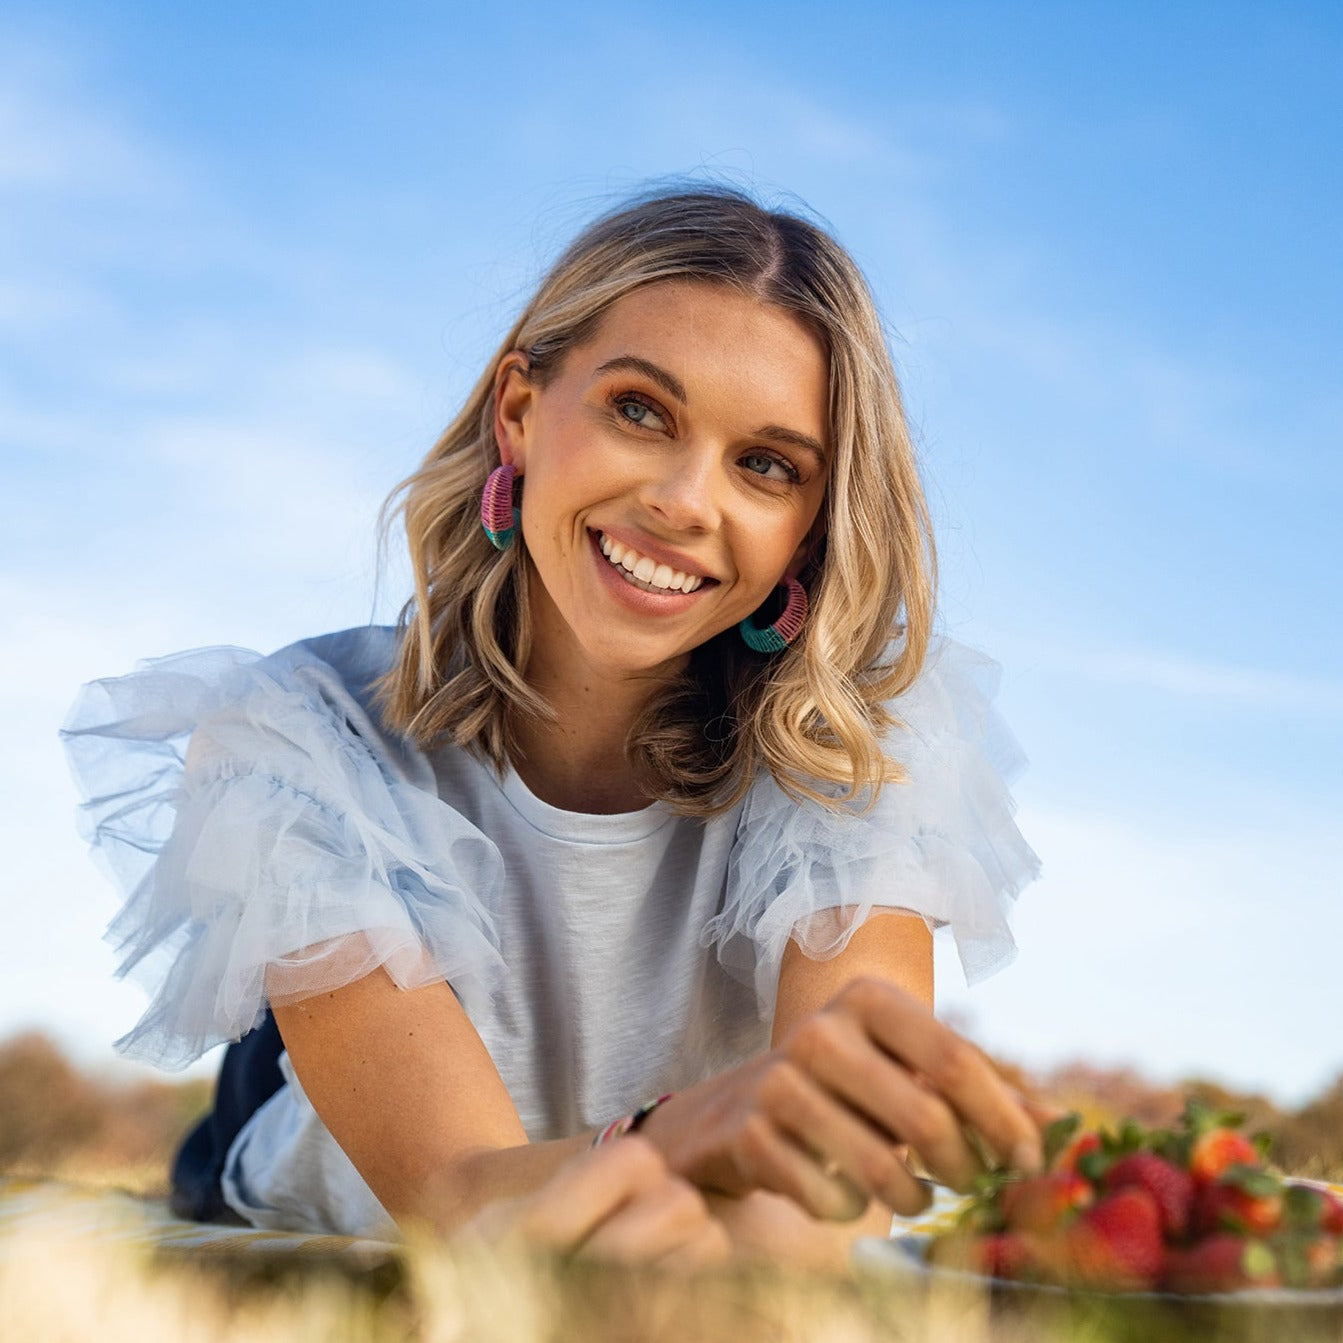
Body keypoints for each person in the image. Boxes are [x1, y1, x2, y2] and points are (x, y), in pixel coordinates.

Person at [62, 187, 1043, 1268]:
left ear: (807, 533)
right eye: (640, 410)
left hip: (657, 1189)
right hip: (345, 1175)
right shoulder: (299, 732)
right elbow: (461, 1197)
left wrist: (771, 1201)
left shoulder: (860, 752)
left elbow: (824, 1211)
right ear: (519, 412)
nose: (684, 501)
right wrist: (670, 1138)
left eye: (765, 465)